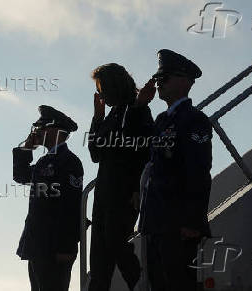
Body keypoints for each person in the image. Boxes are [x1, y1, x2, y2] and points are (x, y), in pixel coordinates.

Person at [136, 49, 213, 291]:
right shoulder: (161, 120)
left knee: (180, 284)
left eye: (164, 79)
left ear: (184, 81)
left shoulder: (194, 120)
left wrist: (192, 221)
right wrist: (139, 106)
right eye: (158, 79)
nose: (159, 84)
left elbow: (198, 172)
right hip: (157, 222)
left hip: (179, 224)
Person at [87, 63, 154, 291]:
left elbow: (144, 151)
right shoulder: (111, 116)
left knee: (118, 244)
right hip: (104, 196)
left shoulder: (138, 109)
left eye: (103, 87)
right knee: (98, 262)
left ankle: (141, 285)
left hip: (124, 194)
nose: (100, 93)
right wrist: (97, 118)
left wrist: (138, 188)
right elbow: (95, 154)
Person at [13, 105, 84, 291]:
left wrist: (65, 247)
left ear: (55, 130)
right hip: (38, 244)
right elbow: (21, 176)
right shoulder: (44, 161)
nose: (37, 132)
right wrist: (27, 149)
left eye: (42, 127)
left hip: (54, 246)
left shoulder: (69, 161)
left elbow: (70, 206)